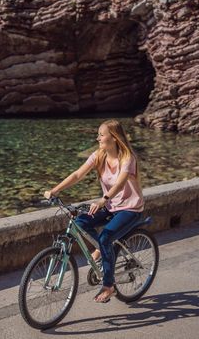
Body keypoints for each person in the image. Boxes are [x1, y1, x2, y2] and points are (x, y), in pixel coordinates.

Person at [44, 119, 144, 303]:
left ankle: (108, 286)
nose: (98, 137)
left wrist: (103, 199)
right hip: (111, 207)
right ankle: (102, 249)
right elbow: (77, 174)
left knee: (105, 238)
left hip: (130, 208)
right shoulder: (99, 155)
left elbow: (120, 182)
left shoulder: (128, 158)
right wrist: (55, 190)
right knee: (80, 223)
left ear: (114, 138)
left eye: (101, 134)